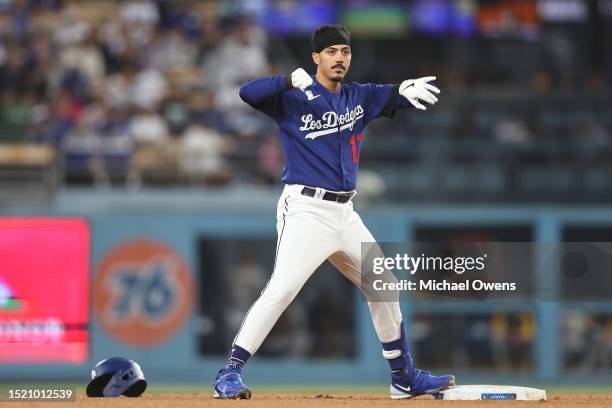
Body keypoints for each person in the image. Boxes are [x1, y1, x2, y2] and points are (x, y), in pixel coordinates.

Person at [213, 24, 455, 400]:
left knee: (384, 286)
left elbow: (393, 96)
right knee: (283, 288)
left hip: (346, 212)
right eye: (331, 52)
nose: (339, 57)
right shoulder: (292, 97)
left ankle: (403, 378)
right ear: (316, 58)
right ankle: (229, 373)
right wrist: (285, 81)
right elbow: (247, 93)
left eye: (344, 51)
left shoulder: (359, 97)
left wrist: (404, 91)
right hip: (306, 209)